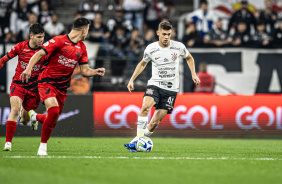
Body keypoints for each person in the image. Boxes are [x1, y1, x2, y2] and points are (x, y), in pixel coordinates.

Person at [20, 17, 106, 155]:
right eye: (88, 30)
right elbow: (39, 53)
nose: (87, 33)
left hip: (62, 87)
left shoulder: (82, 47)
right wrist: (29, 69)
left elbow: (84, 71)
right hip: (47, 80)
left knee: (52, 120)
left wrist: (95, 72)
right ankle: (42, 148)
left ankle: (35, 117)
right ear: (83, 30)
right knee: (53, 111)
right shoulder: (59, 40)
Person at [124, 21, 200, 151]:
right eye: (164, 34)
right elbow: (142, 63)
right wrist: (131, 80)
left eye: (169, 34)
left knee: (154, 123)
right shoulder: (151, 48)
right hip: (155, 84)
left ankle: (137, 142)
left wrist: (194, 74)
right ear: (158, 33)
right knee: (145, 107)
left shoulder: (178, 47)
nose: (166, 37)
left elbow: (189, 58)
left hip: (171, 89)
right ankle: (137, 141)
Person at [1, 23, 46, 151]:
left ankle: (28, 117)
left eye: (43, 37)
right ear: (31, 36)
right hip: (18, 84)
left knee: (25, 120)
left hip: (34, 89)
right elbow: (3, 60)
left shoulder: (45, 51)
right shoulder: (21, 47)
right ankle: (8, 143)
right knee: (14, 109)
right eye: (38, 37)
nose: (41, 40)